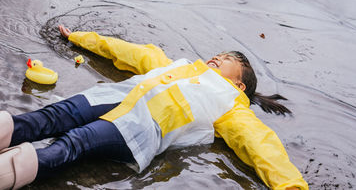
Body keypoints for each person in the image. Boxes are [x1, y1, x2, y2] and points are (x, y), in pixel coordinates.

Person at [0, 25, 308, 190]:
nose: (217, 57)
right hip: (110, 98)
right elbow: (129, 52)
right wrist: (79, 38)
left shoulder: (232, 105)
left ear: (239, 84)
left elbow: (262, 145)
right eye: (219, 54)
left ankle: (7, 173)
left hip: (136, 128)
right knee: (51, 116)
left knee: (74, 143)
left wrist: (290, 186)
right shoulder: (179, 65)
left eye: (227, 61)